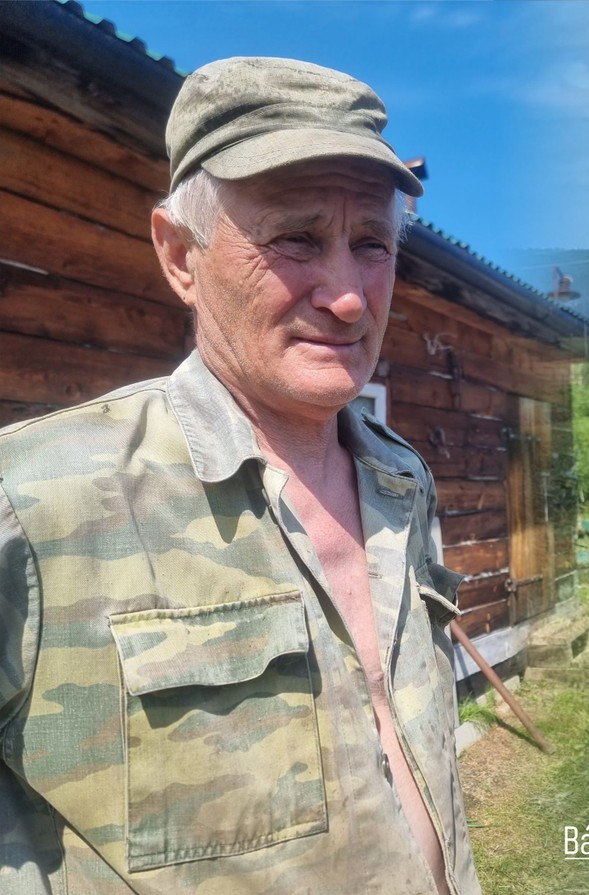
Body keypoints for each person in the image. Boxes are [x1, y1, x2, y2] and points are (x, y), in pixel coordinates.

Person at [0, 58, 479, 894]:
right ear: (180, 255)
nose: (349, 298)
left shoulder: (404, 482)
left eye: (372, 243)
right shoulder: (36, 500)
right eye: (296, 237)